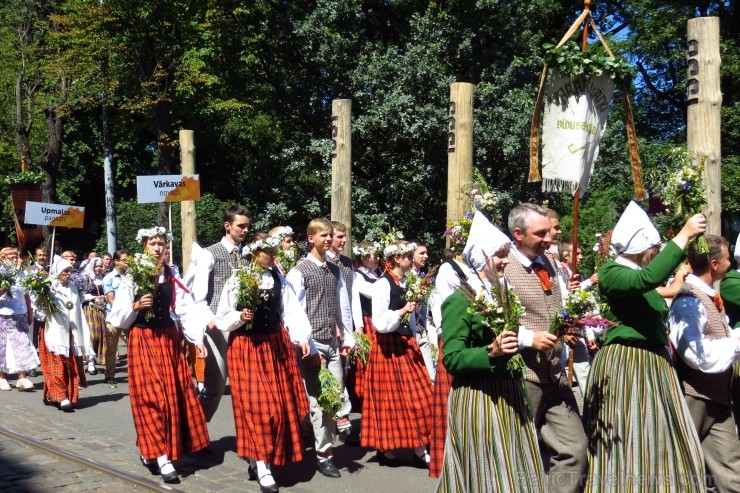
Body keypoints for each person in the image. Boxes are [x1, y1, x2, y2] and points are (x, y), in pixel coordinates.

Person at [583, 201, 706, 492]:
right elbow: (647, 278)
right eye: (656, 248)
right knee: (630, 431)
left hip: (653, 364)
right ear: (644, 247)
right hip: (626, 364)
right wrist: (684, 235)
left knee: (658, 434)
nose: (658, 253)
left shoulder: (640, 281)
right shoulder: (613, 271)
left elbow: (655, 286)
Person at [437, 211, 545, 492]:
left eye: (507, 254)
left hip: (509, 392)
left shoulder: (503, 295)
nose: (506, 261)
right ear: (482, 257)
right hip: (479, 396)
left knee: (514, 465)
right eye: (499, 255)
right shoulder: (459, 300)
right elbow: (452, 358)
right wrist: (490, 351)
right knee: (488, 472)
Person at [109, 226, 211, 483]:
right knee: (152, 399)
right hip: (143, 339)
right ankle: (161, 455)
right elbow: (119, 318)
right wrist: (135, 306)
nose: (157, 248)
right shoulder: (133, 276)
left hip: (167, 339)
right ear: (144, 246)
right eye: (153, 243)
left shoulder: (172, 274)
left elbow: (184, 309)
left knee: (173, 396)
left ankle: (153, 449)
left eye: (161, 244)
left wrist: (196, 339)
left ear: (167, 247)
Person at [216, 233, 311, 493]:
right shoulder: (238, 278)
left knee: (279, 407)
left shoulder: (278, 277)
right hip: (247, 347)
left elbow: (291, 310)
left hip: (274, 346)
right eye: (267, 250)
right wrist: (240, 316)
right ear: (255, 253)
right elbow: (222, 316)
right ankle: (262, 464)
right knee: (259, 408)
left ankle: (259, 458)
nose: (273, 254)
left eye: (273, 250)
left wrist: (301, 337)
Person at [505, 203, 586, 493]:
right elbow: (489, 320)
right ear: (518, 233)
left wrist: (570, 326)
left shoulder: (550, 261)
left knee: (574, 449)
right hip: (522, 376)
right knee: (517, 454)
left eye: (548, 232)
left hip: (555, 373)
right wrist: (529, 338)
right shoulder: (504, 266)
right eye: (540, 233)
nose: (549, 238)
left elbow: (560, 306)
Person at [668, 235, 740, 492]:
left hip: (718, 395)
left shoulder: (707, 297)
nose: (730, 261)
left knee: (731, 469)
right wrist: (736, 343)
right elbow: (697, 354)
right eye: (726, 258)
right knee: (680, 464)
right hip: (694, 395)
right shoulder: (688, 300)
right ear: (714, 264)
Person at [285, 218, 354, 478]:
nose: (328, 239)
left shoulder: (335, 269)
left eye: (329, 235)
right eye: (322, 235)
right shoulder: (299, 271)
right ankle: (325, 453)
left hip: (333, 342)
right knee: (320, 401)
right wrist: (306, 342)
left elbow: (342, 305)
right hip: (311, 344)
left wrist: (347, 337)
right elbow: (293, 310)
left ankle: (308, 427)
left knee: (334, 399)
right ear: (310, 238)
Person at [362, 239, 432, 468]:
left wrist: (414, 332)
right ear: (396, 259)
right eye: (408, 256)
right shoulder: (382, 285)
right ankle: (388, 448)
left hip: (405, 343)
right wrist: (402, 310)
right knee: (391, 403)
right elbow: (380, 323)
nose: (412, 259)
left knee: (420, 397)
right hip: (388, 347)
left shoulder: (406, 281)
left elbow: (411, 317)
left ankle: (420, 447)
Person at [190, 204, 250, 422]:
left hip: (243, 325)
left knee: (245, 385)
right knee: (216, 385)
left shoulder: (249, 256)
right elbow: (198, 296)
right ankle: (196, 429)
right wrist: (209, 320)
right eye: (240, 226)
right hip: (218, 326)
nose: (245, 230)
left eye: (247, 226)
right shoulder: (210, 254)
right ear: (227, 226)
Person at [427, 239, 476, 479]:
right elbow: (446, 305)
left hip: (475, 338)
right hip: (454, 335)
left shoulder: (478, 269)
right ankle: (449, 457)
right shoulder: (448, 270)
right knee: (451, 398)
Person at [38, 257, 94, 410]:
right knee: (56, 365)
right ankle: (61, 397)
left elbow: (75, 308)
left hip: (70, 332)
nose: (68, 274)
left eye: (69, 271)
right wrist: (43, 301)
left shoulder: (73, 287)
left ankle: (57, 395)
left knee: (68, 365)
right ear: (57, 272)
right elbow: (40, 313)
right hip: (53, 331)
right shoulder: (48, 286)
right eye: (65, 271)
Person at [325, 221, 356, 437]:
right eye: (339, 237)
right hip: (326, 323)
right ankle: (337, 416)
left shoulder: (347, 263)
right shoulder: (322, 261)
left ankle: (339, 415)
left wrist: (355, 326)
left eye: (344, 237)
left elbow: (349, 297)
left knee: (340, 371)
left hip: (344, 321)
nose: (343, 241)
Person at [0, 249, 39, 391]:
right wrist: (5, 285)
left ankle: (22, 378)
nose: (15, 259)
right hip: (4, 315)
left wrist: (30, 312)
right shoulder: (1, 273)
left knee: (23, 345)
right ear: (3, 259)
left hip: (20, 314)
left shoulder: (23, 274)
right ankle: (2, 378)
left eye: (16, 256)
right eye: (11, 257)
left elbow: (26, 295)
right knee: (3, 347)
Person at [410, 239, 436, 381]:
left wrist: (426, 327)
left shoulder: (423, 278)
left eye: (426, 253)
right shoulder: (407, 278)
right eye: (422, 253)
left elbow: (425, 308)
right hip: (410, 334)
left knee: (430, 374)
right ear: (412, 256)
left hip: (421, 331)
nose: (426, 256)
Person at [102, 250, 128, 385]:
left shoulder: (131, 276)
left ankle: (135, 372)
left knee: (134, 345)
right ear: (116, 261)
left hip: (130, 316)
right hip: (114, 316)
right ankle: (110, 374)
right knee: (112, 347)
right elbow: (111, 300)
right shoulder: (109, 278)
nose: (127, 262)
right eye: (124, 260)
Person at [82, 258, 107, 375]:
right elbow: (82, 296)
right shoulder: (87, 279)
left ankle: (97, 359)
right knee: (91, 335)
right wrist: (94, 297)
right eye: (97, 266)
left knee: (100, 335)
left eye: (101, 266)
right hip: (89, 309)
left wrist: (104, 297)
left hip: (100, 310)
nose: (99, 268)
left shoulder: (103, 279)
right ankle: (90, 362)